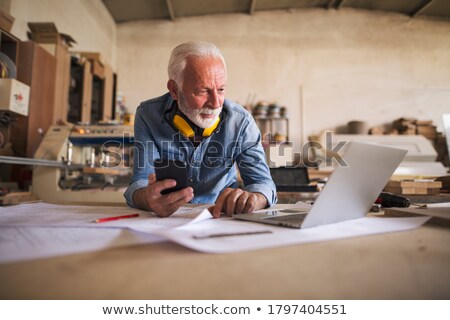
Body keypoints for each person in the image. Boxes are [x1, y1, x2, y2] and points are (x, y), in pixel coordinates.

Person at [124, 41, 277, 218]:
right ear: (174, 90)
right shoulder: (148, 115)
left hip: (220, 218)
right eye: (202, 92)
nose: (216, 103)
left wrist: (252, 199)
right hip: (166, 221)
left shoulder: (241, 121)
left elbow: (264, 185)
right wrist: (148, 199)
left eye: (220, 89)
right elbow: (140, 182)